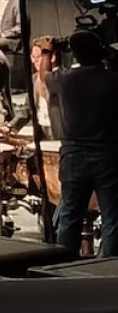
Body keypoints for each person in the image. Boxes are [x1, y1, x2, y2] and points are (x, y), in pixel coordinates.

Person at [46, 29, 118, 256]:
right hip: (108, 155)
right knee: (113, 217)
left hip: (73, 154)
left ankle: (63, 263)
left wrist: (48, 51)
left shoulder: (65, 79)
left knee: (69, 214)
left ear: (74, 54)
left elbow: (43, 75)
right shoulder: (113, 79)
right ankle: (108, 265)